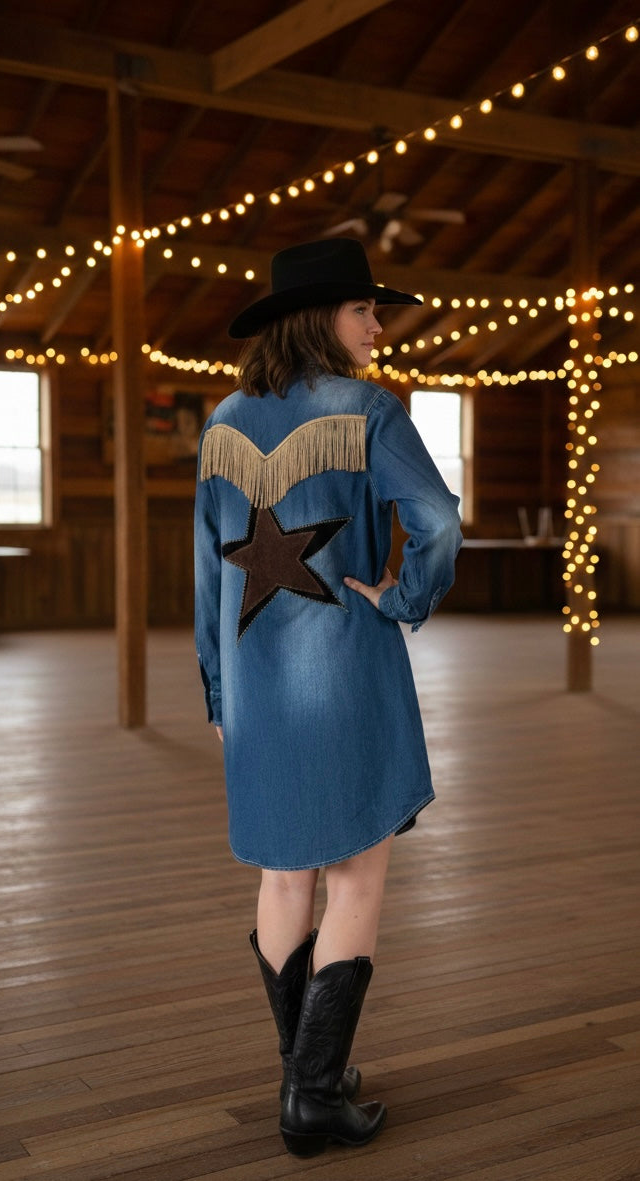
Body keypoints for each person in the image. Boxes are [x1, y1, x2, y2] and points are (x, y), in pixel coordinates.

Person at [193, 237, 462, 1157]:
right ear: (321, 319)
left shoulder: (221, 422)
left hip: (258, 688)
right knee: (357, 871)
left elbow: (203, 576)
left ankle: (309, 1069)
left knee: (284, 872)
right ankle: (310, 1095)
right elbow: (440, 519)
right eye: (364, 310)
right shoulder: (370, 411)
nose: (377, 325)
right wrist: (407, 597)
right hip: (344, 669)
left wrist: (219, 685)